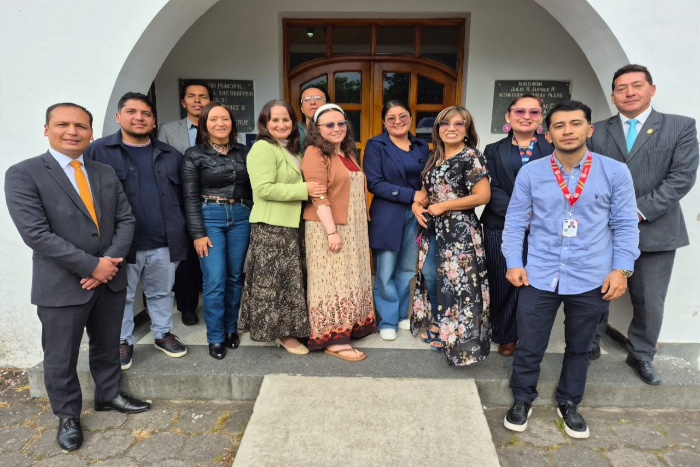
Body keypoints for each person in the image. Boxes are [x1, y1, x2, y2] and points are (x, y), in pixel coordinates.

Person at [5, 103, 150, 452]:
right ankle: (68, 415)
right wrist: (91, 266)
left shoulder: (104, 171)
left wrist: (107, 264)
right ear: (47, 129)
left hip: (110, 278)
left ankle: (108, 394)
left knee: (107, 344)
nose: (72, 131)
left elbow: (126, 219)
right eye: (63, 124)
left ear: (91, 132)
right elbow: (36, 234)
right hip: (61, 283)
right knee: (60, 356)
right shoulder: (23, 174)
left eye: (81, 126)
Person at [501, 100, 639, 439]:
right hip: (539, 274)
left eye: (575, 124)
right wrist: (514, 261)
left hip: (591, 276)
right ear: (548, 134)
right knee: (530, 343)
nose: (567, 131)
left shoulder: (615, 172)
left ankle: (569, 401)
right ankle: (522, 399)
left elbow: (625, 224)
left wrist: (622, 269)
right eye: (559, 125)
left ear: (588, 130)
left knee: (580, 346)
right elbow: (515, 221)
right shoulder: (532, 173)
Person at [589, 64, 699, 383]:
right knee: (594, 294)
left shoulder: (680, 126)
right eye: (621, 88)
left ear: (652, 89)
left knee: (650, 301)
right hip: (602, 230)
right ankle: (588, 346)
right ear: (613, 96)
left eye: (637, 85)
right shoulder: (597, 131)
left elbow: (681, 178)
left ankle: (641, 355)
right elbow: (586, 175)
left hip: (655, 230)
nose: (629, 93)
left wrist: (636, 211)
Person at [85, 92, 189, 370]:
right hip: (119, 243)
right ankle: (122, 340)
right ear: (119, 117)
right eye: (131, 112)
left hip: (164, 241)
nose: (139, 118)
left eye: (146, 114)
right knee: (122, 296)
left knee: (161, 292)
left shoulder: (171, 155)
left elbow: (184, 197)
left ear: (154, 121)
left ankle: (163, 334)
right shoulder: (97, 152)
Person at [240, 100, 326, 354]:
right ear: (265, 124)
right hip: (271, 227)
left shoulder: (292, 149)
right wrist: (304, 189)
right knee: (275, 286)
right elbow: (263, 189)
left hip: (292, 225)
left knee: (291, 283)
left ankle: (293, 329)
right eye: (275, 120)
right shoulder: (263, 148)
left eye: (286, 119)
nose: (281, 124)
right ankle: (282, 335)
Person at [410, 105, 491, 366]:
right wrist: (416, 205)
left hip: (460, 231)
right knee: (432, 275)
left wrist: (445, 205)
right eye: (445, 123)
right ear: (437, 129)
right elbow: (425, 192)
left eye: (459, 124)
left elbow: (483, 196)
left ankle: (455, 334)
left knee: (458, 284)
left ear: (467, 130)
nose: (451, 128)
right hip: (434, 228)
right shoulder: (435, 157)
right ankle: (439, 321)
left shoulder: (471, 156)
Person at [301, 103, 376, 361]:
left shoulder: (346, 152)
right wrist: (332, 231)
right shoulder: (315, 152)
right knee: (331, 281)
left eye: (341, 123)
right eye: (329, 125)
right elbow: (318, 194)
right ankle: (333, 339)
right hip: (328, 226)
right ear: (317, 129)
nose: (337, 128)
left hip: (353, 227)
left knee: (349, 278)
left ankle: (349, 326)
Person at [481, 94, 553, 357]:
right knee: (504, 281)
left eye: (534, 112)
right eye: (519, 111)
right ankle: (505, 335)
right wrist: (521, 218)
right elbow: (493, 188)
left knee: (534, 283)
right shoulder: (493, 149)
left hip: (543, 227)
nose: (526, 116)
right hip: (500, 225)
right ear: (508, 116)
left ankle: (529, 333)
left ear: (541, 118)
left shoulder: (553, 148)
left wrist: (537, 218)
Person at [181, 102, 252, 360]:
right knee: (214, 280)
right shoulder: (193, 154)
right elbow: (189, 197)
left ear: (232, 123)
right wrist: (197, 233)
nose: (220, 123)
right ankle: (215, 336)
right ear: (204, 124)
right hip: (209, 217)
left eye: (225, 118)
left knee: (234, 277)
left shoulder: (245, 152)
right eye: (213, 119)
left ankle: (231, 328)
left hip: (241, 216)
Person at [364, 100, 429, 340]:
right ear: (384, 121)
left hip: (416, 214)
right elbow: (374, 183)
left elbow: (428, 178)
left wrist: (421, 199)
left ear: (410, 117)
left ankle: (402, 314)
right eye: (391, 118)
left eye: (402, 116)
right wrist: (412, 195)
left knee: (407, 268)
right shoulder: (376, 145)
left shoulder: (421, 145)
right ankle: (387, 320)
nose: (397, 121)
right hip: (387, 214)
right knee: (385, 270)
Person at [158, 80, 213, 326]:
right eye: (192, 96)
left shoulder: (218, 125)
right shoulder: (168, 129)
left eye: (203, 96)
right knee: (186, 255)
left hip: (213, 198)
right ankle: (187, 306)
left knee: (211, 252)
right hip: (180, 199)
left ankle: (212, 303)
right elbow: (161, 165)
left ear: (210, 101)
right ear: (183, 101)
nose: (197, 101)